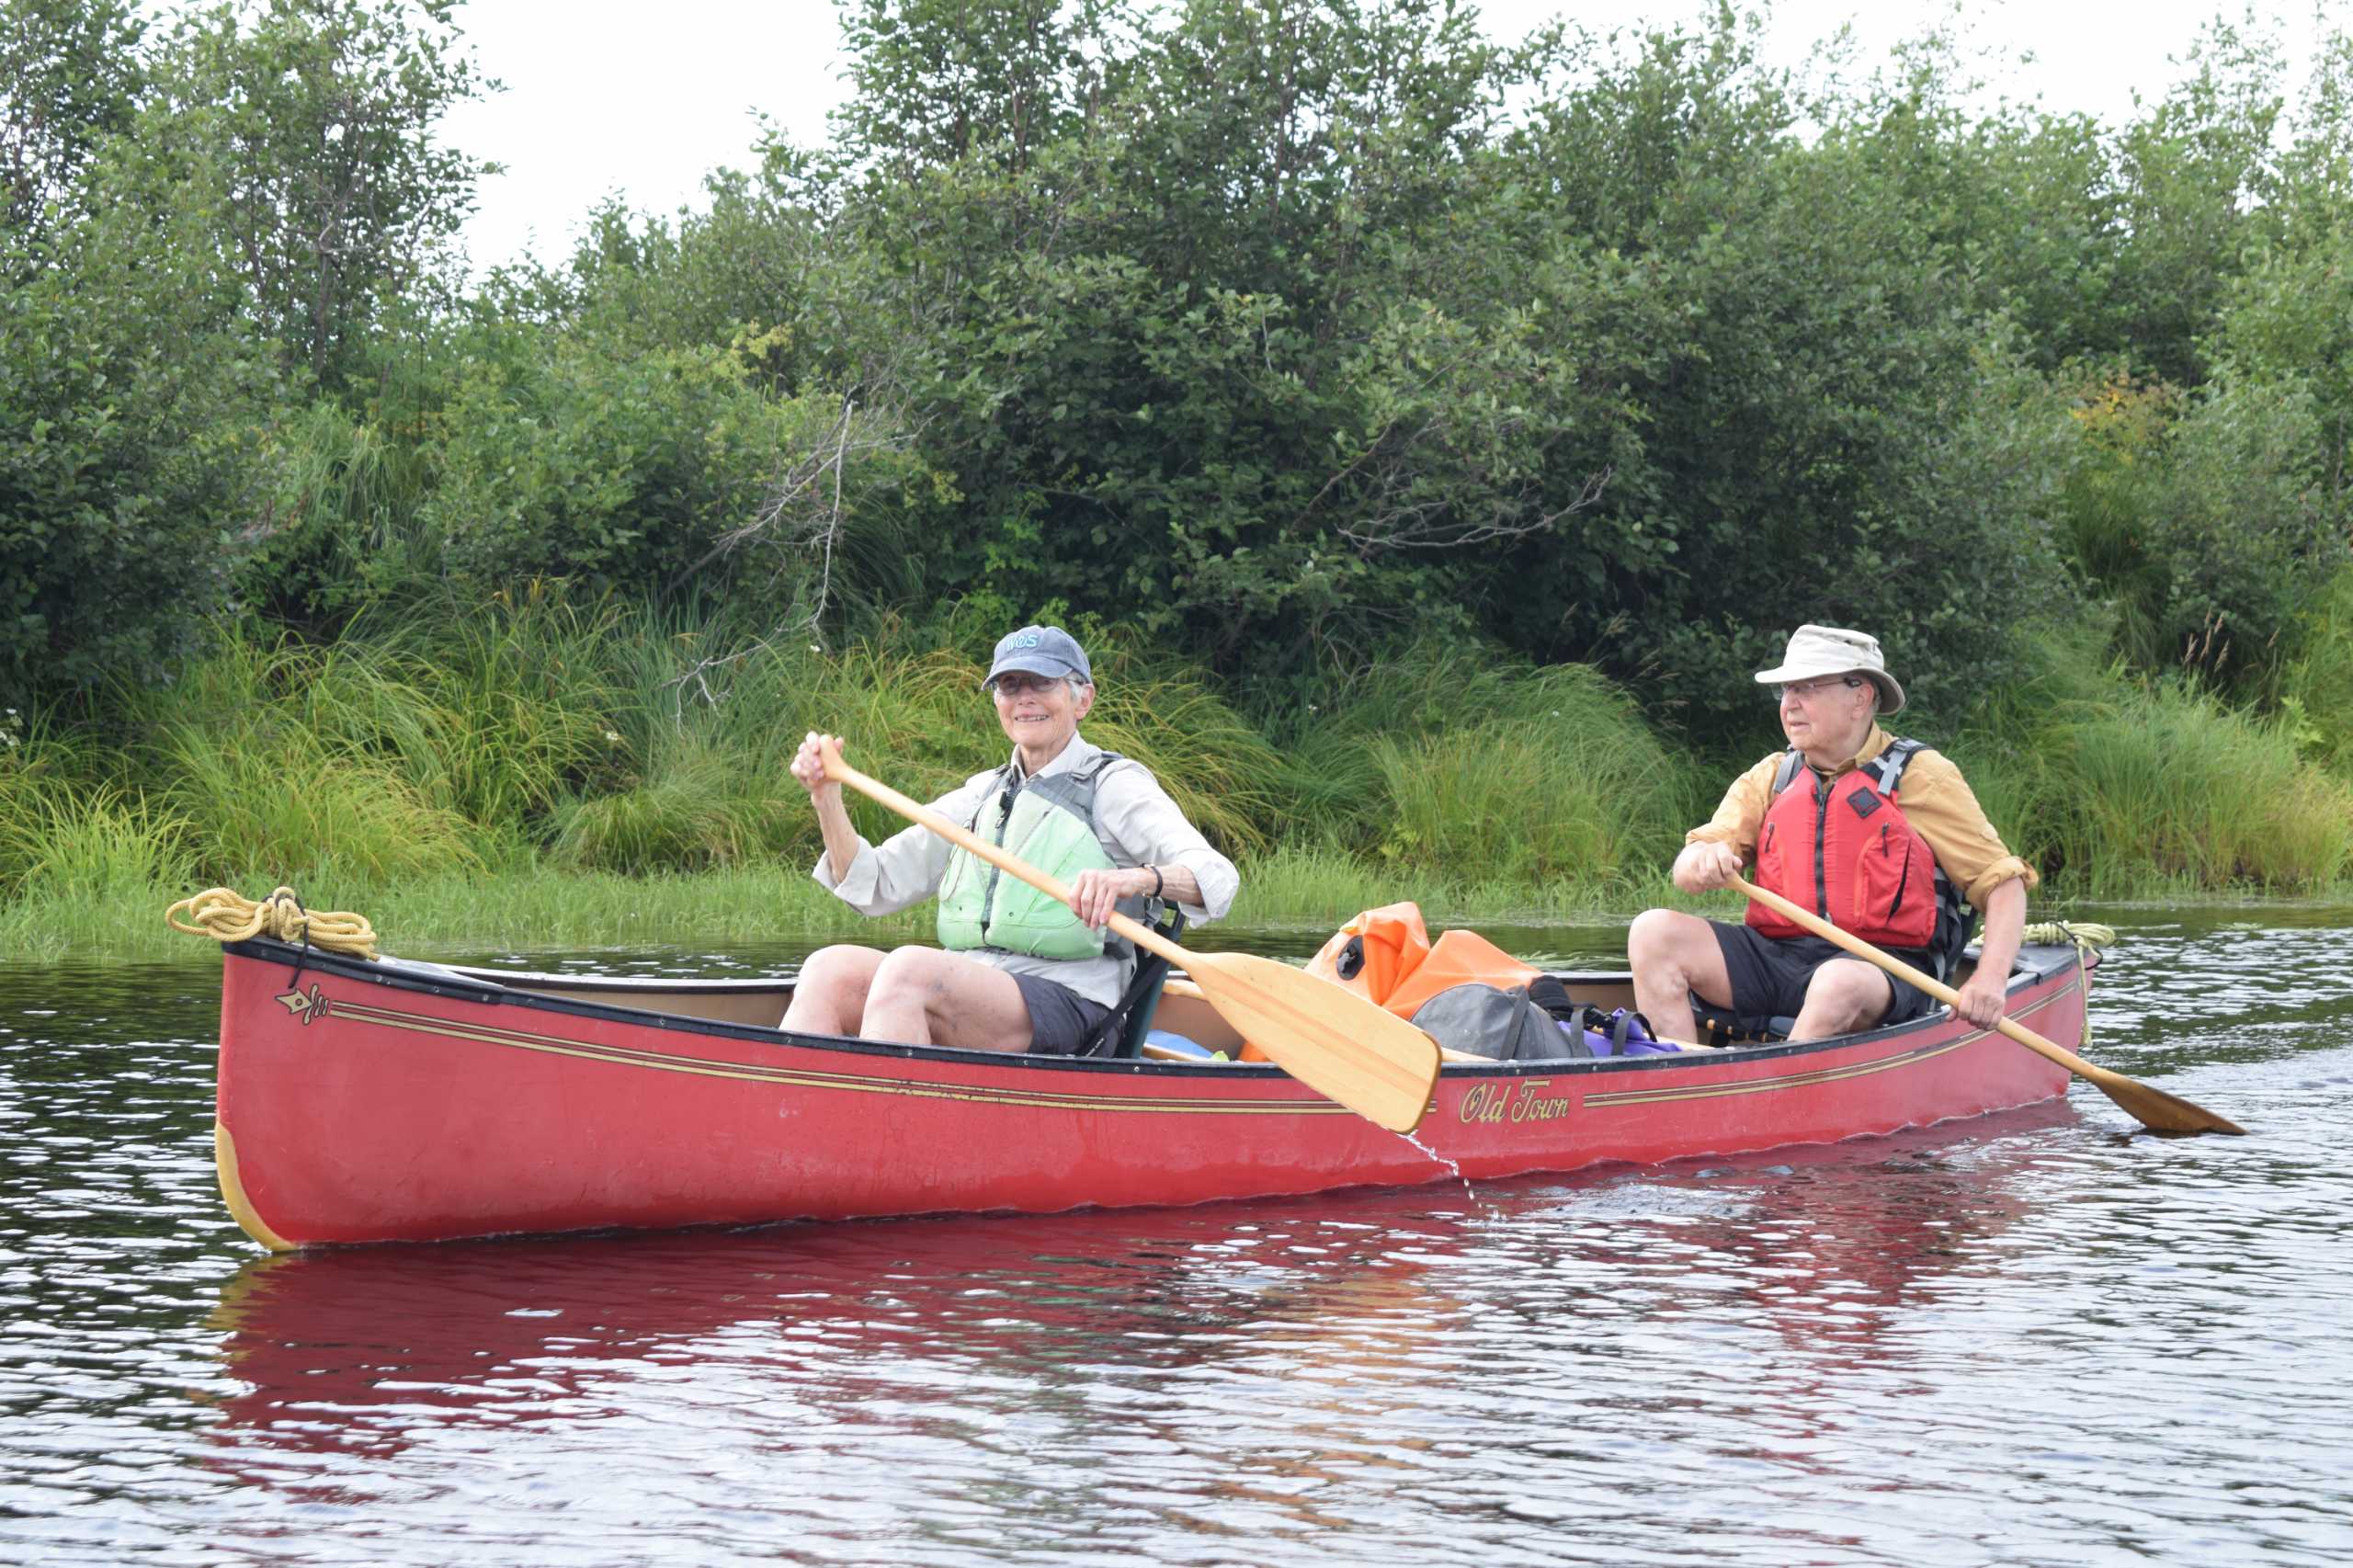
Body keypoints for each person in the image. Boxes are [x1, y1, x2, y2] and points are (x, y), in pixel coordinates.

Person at [782, 625, 1240, 1054]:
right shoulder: (981, 794)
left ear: (1083, 699)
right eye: (1009, 685)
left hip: (1075, 1001)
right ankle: (799, 1110)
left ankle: (891, 1111)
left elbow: (1217, 878)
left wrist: (1137, 879)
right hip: (978, 986)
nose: (1024, 698)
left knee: (909, 971)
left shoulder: (1113, 786)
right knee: (829, 969)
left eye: (1042, 682)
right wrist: (826, 797)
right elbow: (874, 884)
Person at [1628, 624, 2037, 1045]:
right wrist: (1701, 859)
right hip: (1778, 958)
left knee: (1836, 981)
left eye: (1807, 688)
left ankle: (1781, 1082)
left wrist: (1989, 980)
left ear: (1860, 698)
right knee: (1652, 932)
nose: (1789, 704)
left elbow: (2002, 884)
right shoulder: (1773, 775)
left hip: (1884, 969)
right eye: (1786, 690)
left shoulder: (1923, 777)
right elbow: (1688, 867)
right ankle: (1680, 1073)